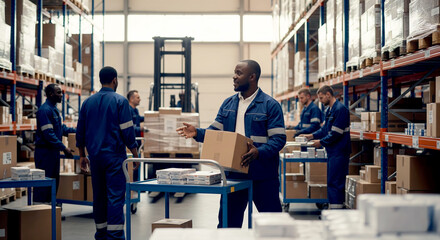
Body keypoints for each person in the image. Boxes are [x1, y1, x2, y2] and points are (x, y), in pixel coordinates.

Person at [177, 60, 286, 227]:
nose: (234, 77)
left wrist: (259, 152)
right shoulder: (229, 104)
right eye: (235, 73)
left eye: (239, 73)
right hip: (235, 173)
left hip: (263, 175)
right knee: (228, 224)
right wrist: (197, 133)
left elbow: (279, 139)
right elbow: (216, 132)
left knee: (274, 226)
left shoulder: (270, 105)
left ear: (252, 77)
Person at [76, 66, 139, 239]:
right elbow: (127, 131)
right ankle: (115, 235)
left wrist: (82, 155)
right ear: (115, 80)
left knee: (99, 196)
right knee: (115, 197)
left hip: (95, 157)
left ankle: (101, 233)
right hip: (114, 158)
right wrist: (135, 154)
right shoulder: (120, 101)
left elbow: (80, 131)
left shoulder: (87, 102)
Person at [301, 85, 351, 209]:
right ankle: (333, 206)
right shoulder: (329, 110)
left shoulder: (340, 109)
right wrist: (311, 135)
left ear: (328, 94)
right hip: (333, 151)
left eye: (322, 98)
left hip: (340, 151)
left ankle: (336, 210)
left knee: (336, 182)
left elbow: (336, 133)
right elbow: (324, 130)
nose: (321, 101)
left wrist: (321, 142)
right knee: (331, 180)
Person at [34, 84, 76, 203]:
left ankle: (50, 209)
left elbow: (61, 129)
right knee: (45, 181)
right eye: (58, 92)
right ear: (51, 94)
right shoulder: (45, 110)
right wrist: (64, 147)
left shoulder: (53, 109)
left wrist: (78, 131)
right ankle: (41, 209)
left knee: (53, 180)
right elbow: (48, 134)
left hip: (53, 152)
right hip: (45, 152)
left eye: (61, 92)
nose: (61, 95)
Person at [127, 90, 144, 183]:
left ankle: (137, 185)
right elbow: (128, 128)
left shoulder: (135, 110)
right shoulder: (128, 110)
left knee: (138, 164)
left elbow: (139, 119)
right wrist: (140, 128)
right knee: (133, 164)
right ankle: (133, 185)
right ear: (131, 99)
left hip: (137, 142)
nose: (139, 99)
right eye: (138, 97)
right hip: (131, 142)